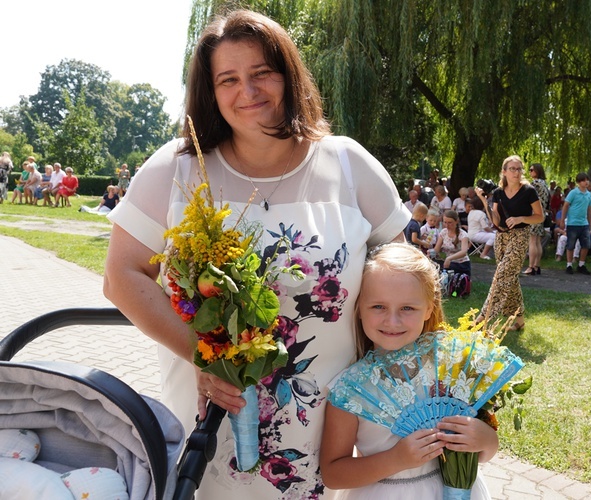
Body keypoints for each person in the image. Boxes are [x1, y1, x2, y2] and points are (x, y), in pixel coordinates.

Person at [101, 10, 410, 499]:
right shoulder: (177, 168)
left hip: (324, 422)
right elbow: (121, 276)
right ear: (211, 92)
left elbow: (406, 278)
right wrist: (204, 358)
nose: (248, 90)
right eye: (229, 79)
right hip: (207, 411)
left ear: (288, 75)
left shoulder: (350, 165)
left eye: (262, 72)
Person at [319, 243, 493, 498]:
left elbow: (481, 453)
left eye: (407, 308)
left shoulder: (454, 366)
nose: (392, 320)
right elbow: (333, 474)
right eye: (378, 306)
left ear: (429, 309)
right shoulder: (351, 389)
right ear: (358, 308)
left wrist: (486, 439)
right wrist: (395, 459)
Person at [475, 155, 544, 330]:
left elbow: (540, 216)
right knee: (510, 279)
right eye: (512, 169)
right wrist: (484, 200)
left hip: (520, 236)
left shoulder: (529, 191)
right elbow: (496, 221)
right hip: (502, 237)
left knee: (502, 275)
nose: (517, 172)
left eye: (519, 169)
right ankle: (519, 321)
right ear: (504, 172)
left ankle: (484, 317)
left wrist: (521, 218)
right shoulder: (498, 192)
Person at [560, 172, 591, 275]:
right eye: (583, 180)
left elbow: (589, 208)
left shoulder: (589, 194)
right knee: (571, 244)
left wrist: (590, 220)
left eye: (587, 180)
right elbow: (566, 205)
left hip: (584, 223)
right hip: (573, 223)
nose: (586, 182)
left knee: (585, 245)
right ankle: (569, 265)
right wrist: (563, 219)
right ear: (579, 182)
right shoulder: (573, 193)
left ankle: (581, 264)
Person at [524, 162, 550, 275]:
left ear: (537, 171)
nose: (530, 172)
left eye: (531, 170)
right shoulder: (545, 183)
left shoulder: (535, 183)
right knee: (538, 241)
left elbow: (526, 196)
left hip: (533, 214)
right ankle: (537, 265)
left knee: (532, 241)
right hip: (542, 214)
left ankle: (530, 267)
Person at [433, 209, 471, 276]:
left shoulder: (462, 235)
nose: (447, 225)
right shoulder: (443, 232)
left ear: (456, 221)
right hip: (448, 262)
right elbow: (436, 249)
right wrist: (430, 253)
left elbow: (464, 252)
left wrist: (449, 258)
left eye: (450, 222)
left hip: (461, 263)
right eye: (445, 222)